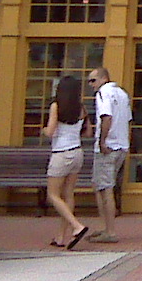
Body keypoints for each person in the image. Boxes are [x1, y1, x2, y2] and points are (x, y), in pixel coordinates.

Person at [42, 74, 88, 248]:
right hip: (77, 152)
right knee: (68, 193)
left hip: (61, 153)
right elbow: (87, 132)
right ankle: (61, 236)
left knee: (53, 195)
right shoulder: (81, 108)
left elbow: (51, 131)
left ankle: (77, 227)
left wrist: (44, 129)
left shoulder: (56, 106)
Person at [87, 67, 132, 243]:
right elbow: (128, 120)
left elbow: (107, 117)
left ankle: (110, 231)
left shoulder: (103, 94)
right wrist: (126, 142)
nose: (91, 85)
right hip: (121, 145)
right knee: (100, 185)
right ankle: (104, 226)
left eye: (93, 80)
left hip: (109, 146)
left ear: (103, 78)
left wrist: (102, 141)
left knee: (105, 188)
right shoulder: (122, 94)